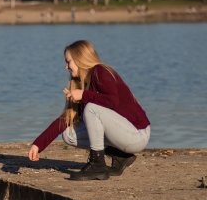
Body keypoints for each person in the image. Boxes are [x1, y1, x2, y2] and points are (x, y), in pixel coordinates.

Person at [28, 40, 150, 180]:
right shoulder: (82, 83)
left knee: (92, 109)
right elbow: (66, 119)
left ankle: (97, 165)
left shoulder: (101, 72)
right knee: (69, 134)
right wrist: (38, 145)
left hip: (137, 135)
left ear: (80, 60)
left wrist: (84, 95)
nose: (66, 67)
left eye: (68, 62)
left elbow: (112, 101)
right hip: (122, 136)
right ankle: (120, 156)